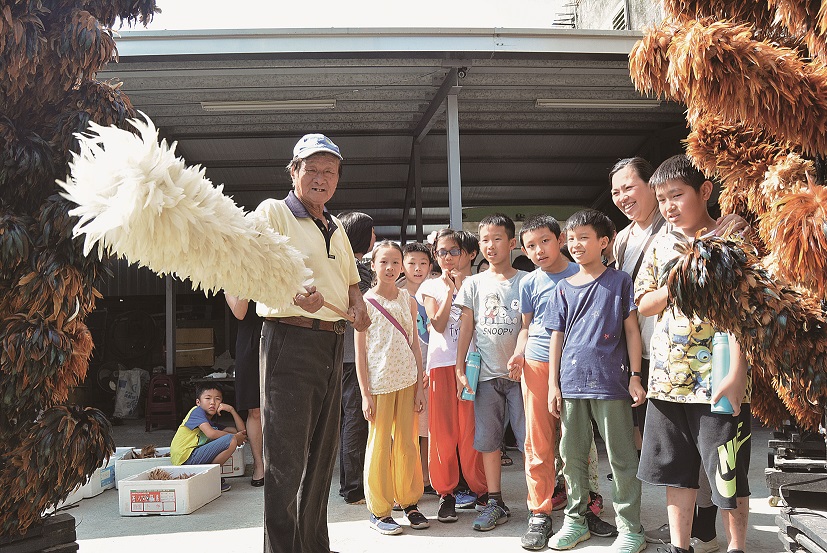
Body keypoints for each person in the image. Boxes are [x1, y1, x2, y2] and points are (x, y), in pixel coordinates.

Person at [610, 157, 748, 548]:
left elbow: (745, 310)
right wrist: (681, 281)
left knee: (728, 472)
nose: (669, 206)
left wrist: (737, 373)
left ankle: (736, 546)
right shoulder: (662, 245)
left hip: (718, 375)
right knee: (676, 473)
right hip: (669, 379)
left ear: (704, 191)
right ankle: (680, 545)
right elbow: (643, 301)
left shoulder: (732, 237)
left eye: (677, 195)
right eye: (662, 198)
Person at [254, 133, 370, 553]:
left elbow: (353, 284)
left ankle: (313, 546)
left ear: (338, 178)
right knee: (285, 461)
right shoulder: (273, 212)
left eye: (330, 171)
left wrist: (358, 307)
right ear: (294, 172)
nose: (321, 178)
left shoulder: (336, 226)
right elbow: (254, 268)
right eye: (312, 169)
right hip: (290, 339)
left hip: (331, 343)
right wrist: (292, 292)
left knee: (322, 459)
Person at [546, 208, 647, 553]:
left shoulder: (620, 281)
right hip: (571, 382)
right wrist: (552, 385)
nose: (575, 244)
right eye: (571, 238)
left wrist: (636, 376)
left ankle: (630, 527)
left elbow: (632, 331)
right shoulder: (562, 288)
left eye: (584, 237)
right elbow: (556, 338)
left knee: (621, 457)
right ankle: (575, 522)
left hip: (611, 382)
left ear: (604, 242)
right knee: (571, 456)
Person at [507, 214, 578, 549]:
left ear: (560, 239)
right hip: (536, 363)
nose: (539, 250)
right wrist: (518, 354)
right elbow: (526, 327)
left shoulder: (582, 273)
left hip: (577, 365)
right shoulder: (529, 283)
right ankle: (540, 512)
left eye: (545, 241)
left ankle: (583, 508)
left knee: (577, 441)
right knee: (538, 440)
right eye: (530, 246)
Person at [455, 214, 529, 532]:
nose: (490, 245)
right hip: (485, 376)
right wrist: (459, 367)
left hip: (522, 377)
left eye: (497, 238)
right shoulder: (473, 283)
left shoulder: (527, 281)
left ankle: (538, 502)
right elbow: (467, 327)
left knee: (530, 442)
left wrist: (520, 354)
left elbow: (528, 325)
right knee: (488, 441)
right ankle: (495, 501)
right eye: (484, 239)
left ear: (511, 243)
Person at [355, 240, 428, 535]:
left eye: (395, 262)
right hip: (380, 385)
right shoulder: (365, 302)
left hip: (408, 381)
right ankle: (379, 510)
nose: (390, 267)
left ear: (401, 265)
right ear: (373, 265)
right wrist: (364, 394)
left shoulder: (407, 301)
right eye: (383, 262)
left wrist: (420, 387)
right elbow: (360, 353)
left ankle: (409, 502)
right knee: (380, 445)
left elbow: (414, 344)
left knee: (408, 443)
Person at [416, 229, 488, 523]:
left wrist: (462, 286)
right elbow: (439, 322)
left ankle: (481, 490)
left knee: (471, 431)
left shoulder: (480, 284)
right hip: (441, 364)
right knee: (443, 432)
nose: (447, 258)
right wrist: (448, 289)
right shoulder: (430, 287)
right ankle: (446, 493)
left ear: (469, 253)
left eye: (453, 251)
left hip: (473, 364)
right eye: (441, 252)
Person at [336, 211, 376, 506]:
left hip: (339, 355)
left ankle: (347, 485)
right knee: (355, 421)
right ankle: (353, 488)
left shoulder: (337, 263)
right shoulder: (358, 270)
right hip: (354, 356)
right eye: (372, 231)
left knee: (343, 421)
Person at [400, 241, 436, 496]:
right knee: (406, 428)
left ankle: (427, 476)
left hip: (430, 367)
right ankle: (408, 477)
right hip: (403, 370)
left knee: (427, 427)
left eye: (423, 263)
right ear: (403, 265)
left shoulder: (435, 290)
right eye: (411, 262)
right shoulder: (396, 292)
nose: (417, 268)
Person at [170, 383, 247, 493]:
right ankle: (210, 479)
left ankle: (208, 479)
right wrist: (235, 437)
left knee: (230, 438)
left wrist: (231, 410)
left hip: (191, 458)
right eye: (208, 398)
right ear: (198, 402)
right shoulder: (196, 411)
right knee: (231, 439)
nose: (212, 402)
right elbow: (211, 434)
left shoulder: (210, 423)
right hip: (185, 458)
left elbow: (241, 432)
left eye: (217, 399)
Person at [224, 296, 264, 487]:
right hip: (250, 339)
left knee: (283, 406)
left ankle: (284, 465)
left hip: (278, 332)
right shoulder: (231, 277)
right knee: (254, 409)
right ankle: (259, 464)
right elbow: (240, 312)